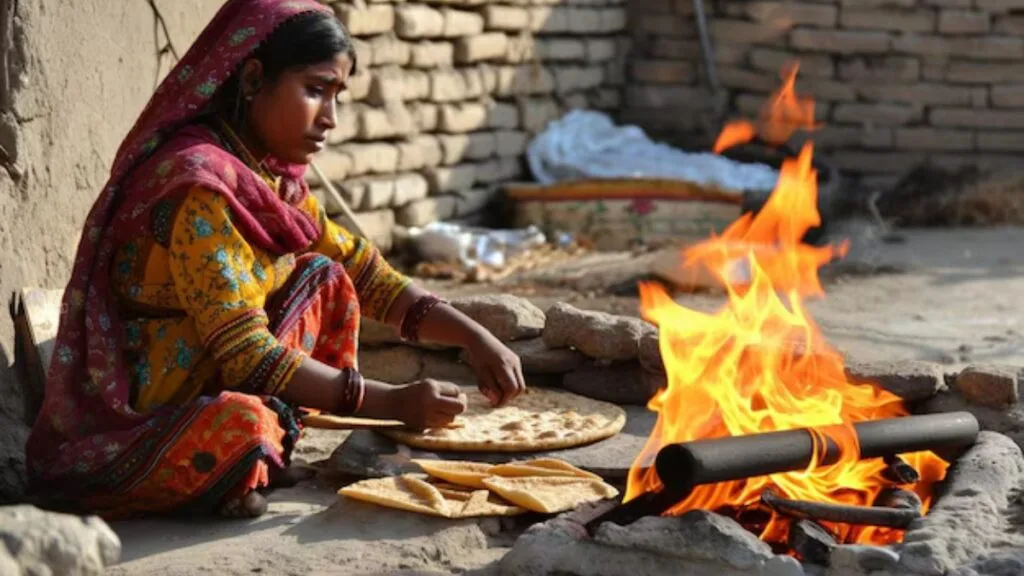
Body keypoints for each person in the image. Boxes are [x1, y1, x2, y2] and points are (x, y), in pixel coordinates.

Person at [25, 0, 525, 520]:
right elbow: (247, 354)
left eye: (337, 96)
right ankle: (238, 462)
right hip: (150, 417)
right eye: (314, 90)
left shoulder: (271, 180)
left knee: (325, 277)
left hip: (215, 382)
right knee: (241, 430)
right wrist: (393, 404)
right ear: (253, 79)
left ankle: (257, 457)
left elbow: (364, 271)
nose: (330, 118)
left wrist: (474, 337)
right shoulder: (201, 186)